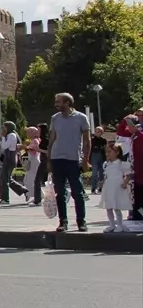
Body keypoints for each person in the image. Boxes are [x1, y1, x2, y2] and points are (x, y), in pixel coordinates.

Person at [48, 93, 91, 233]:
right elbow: (52, 140)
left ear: (67, 102)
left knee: (77, 192)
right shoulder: (55, 118)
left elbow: (87, 141)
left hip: (73, 159)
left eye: (58, 101)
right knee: (59, 193)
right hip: (57, 159)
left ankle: (81, 221)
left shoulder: (81, 118)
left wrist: (85, 160)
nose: (56, 104)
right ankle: (63, 222)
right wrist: (49, 160)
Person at [99, 143, 132, 232]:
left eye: (109, 152)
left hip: (117, 188)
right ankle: (112, 225)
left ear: (117, 152)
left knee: (116, 207)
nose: (107, 154)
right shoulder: (106, 164)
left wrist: (125, 183)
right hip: (108, 188)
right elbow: (106, 175)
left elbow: (128, 175)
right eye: (106, 152)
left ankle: (120, 225)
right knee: (108, 207)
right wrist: (102, 182)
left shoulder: (121, 164)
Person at [0, 121, 21, 204]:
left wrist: (2, 137)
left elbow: (4, 146)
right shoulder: (9, 136)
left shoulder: (11, 135)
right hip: (8, 158)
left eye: (4, 127)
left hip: (10, 159)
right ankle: (23, 191)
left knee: (4, 178)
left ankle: (5, 198)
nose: (2, 129)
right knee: (5, 178)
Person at [90, 126, 108, 194]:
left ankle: (101, 188)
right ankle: (93, 188)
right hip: (94, 156)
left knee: (102, 173)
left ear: (101, 133)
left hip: (102, 157)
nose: (97, 133)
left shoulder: (104, 140)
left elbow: (106, 149)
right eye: (96, 131)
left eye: (99, 132)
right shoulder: (92, 140)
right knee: (94, 173)